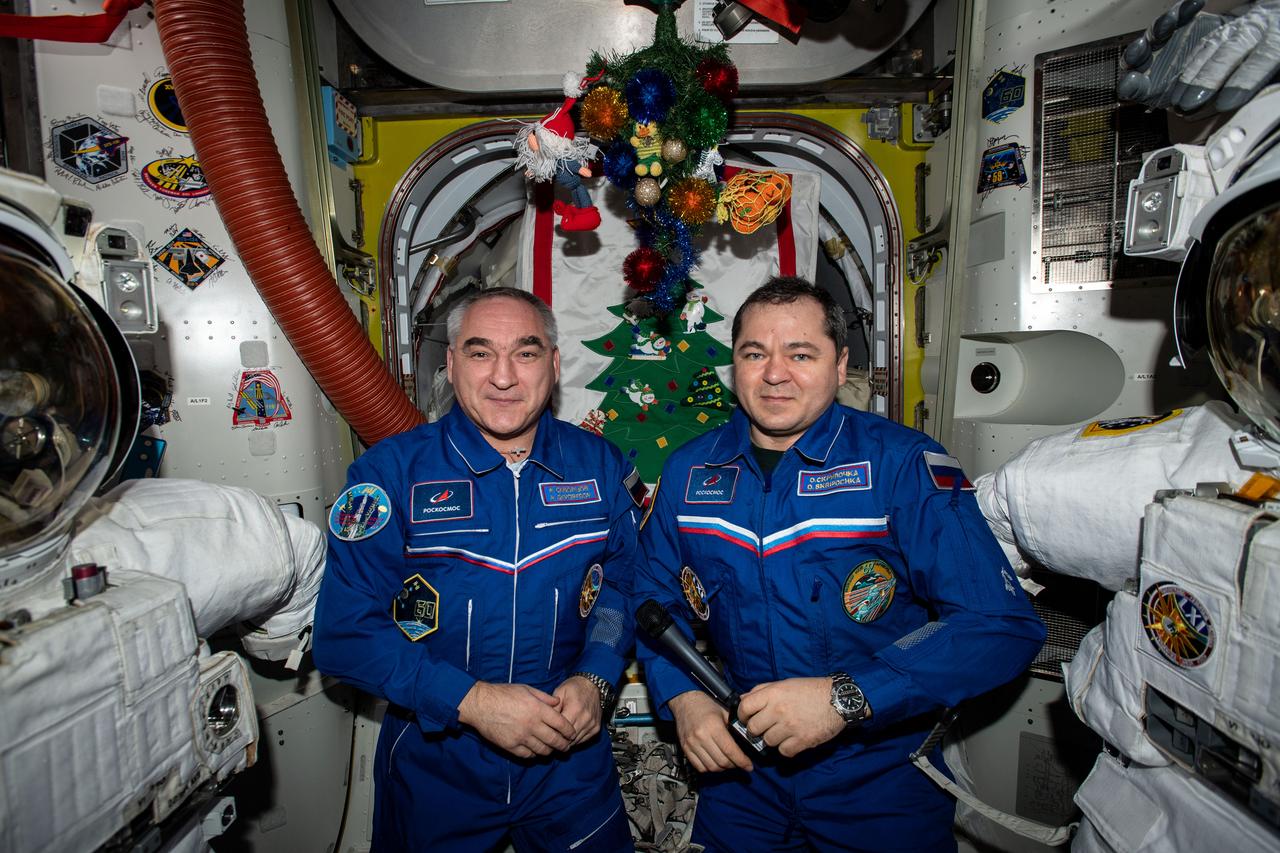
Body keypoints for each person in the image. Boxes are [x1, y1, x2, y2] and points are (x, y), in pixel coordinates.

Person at [633, 277, 1047, 851]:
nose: (775, 373)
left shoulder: (901, 465)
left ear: (840, 362)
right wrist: (684, 698)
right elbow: (651, 596)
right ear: (735, 365)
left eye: (801, 354)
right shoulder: (690, 472)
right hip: (742, 772)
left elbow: (999, 625)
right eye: (755, 353)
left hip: (877, 773)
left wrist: (844, 698)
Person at [313, 287, 640, 852]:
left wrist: (597, 675)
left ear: (555, 365)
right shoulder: (390, 476)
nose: (504, 377)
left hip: (569, 756)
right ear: (451, 363)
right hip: (438, 755)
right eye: (481, 352)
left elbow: (623, 584)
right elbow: (345, 635)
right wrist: (474, 702)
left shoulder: (601, 465)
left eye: (527, 353)